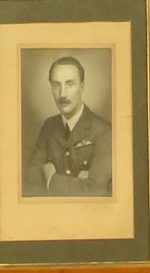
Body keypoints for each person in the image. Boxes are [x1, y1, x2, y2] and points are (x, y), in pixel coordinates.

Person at [24, 56, 111, 196]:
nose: (62, 94)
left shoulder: (103, 131)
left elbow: (96, 191)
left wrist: (51, 179)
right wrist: (78, 184)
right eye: (56, 85)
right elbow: (30, 184)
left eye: (69, 84)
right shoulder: (49, 126)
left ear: (81, 87)